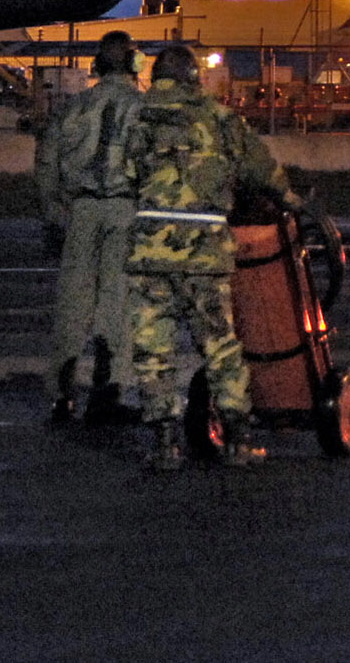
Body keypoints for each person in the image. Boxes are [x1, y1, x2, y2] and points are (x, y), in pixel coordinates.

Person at [121, 40, 290, 471]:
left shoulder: (137, 116)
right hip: (205, 251)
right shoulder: (218, 117)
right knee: (220, 346)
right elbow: (259, 168)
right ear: (193, 77)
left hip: (151, 250)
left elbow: (121, 172)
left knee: (153, 349)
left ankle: (164, 444)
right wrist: (290, 199)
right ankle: (238, 440)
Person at [32, 30, 143, 424]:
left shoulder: (74, 108)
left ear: (96, 65)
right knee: (117, 303)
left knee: (73, 305)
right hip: (124, 210)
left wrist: (55, 213)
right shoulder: (142, 108)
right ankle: (108, 392)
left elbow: (47, 163)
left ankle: (62, 395)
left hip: (81, 210)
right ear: (132, 64)